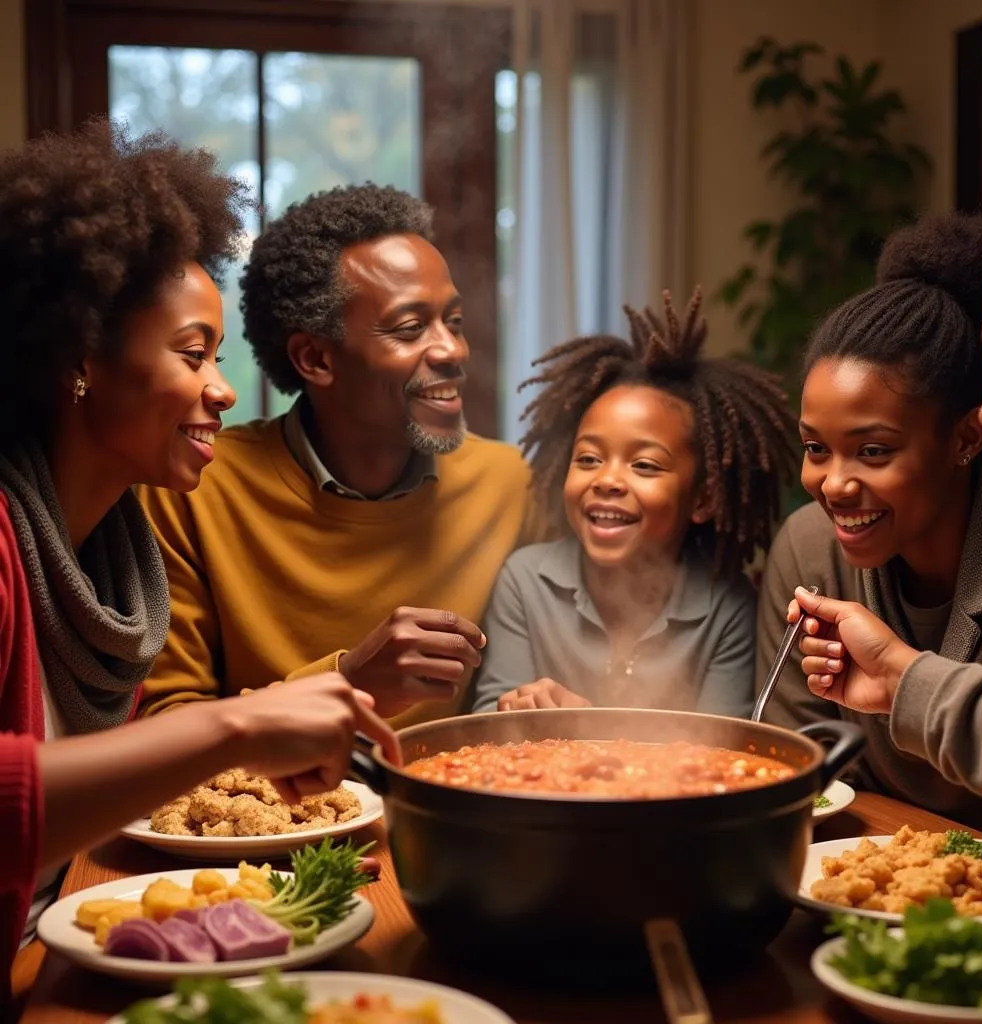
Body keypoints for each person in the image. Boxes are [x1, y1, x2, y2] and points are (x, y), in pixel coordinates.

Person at [0, 120, 397, 1002]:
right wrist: (236, 728)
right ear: (78, 360)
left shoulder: (112, 548)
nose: (223, 388)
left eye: (217, 355)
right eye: (193, 354)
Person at [137, 184, 541, 729]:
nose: (453, 350)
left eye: (455, 321)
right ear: (315, 358)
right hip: (279, 812)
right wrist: (348, 683)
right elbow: (165, 726)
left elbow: (525, 686)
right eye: (410, 327)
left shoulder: (511, 485)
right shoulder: (195, 489)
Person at [756, 212, 982, 839]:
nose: (834, 483)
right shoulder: (808, 551)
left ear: (965, 436)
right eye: (815, 447)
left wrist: (902, 679)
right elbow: (798, 770)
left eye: (873, 451)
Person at [470, 288, 797, 713]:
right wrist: (511, 709)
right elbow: (486, 727)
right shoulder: (525, 582)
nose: (607, 479)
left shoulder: (726, 604)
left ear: (702, 499)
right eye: (588, 458)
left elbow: (724, 754)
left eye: (644, 465)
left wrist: (591, 736)